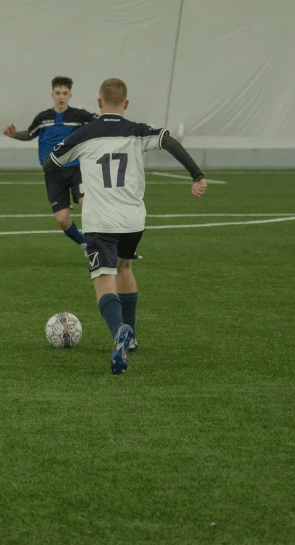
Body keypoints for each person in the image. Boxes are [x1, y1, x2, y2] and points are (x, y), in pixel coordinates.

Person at [43, 77, 207, 375]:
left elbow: (51, 163)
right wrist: (196, 175)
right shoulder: (137, 131)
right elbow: (169, 141)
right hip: (133, 220)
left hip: (100, 220)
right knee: (125, 268)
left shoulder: (85, 133)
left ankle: (119, 329)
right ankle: (130, 337)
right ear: (126, 104)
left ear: (99, 103)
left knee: (103, 280)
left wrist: (77, 179)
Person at [3, 76, 97, 253]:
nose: (61, 97)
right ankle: (85, 244)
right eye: (58, 93)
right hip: (53, 173)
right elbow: (29, 135)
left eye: (65, 93)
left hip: (76, 169)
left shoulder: (79, 116)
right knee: (62, 219)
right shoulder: (43, 118)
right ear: (52, 94)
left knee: (86, 204)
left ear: (70, 95)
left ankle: (103, 244)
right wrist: (14, 134)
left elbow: (100, 123)